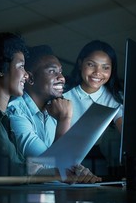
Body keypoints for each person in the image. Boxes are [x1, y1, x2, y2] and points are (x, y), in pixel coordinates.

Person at [0, 33, 94, 183]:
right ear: (1, 68)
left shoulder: (0, 116)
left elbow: (21, 164)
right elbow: (7, 167)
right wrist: (59, 172)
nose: (25, 74)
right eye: (21, 66)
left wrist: (68, 171)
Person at [7, 45, 101, 183]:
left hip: (52, 194)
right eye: (52, 71)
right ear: (30, 78)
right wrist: (64, 119)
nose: (62, 78)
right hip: (26, 199)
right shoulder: (15, 110)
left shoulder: (53, 110)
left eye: (61, 72)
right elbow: (47, 165)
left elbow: (66, 163)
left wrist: (80, 171)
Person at [63, 40, 123, 132]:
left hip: (94, 147)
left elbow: (125, 132)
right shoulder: (63, 91)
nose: (97, 72)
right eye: (91, 64)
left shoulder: (114, 97)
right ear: (80, 64)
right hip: (59, 144)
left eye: (105, 68)